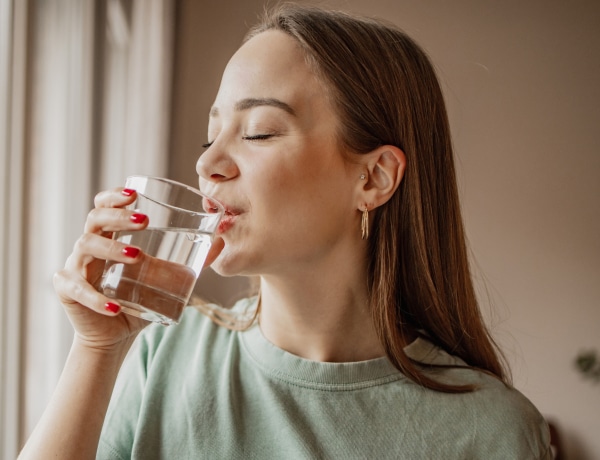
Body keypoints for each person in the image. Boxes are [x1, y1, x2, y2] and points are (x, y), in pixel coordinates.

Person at [19, 4, 552, 459]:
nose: (209, 165)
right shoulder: (160, 358)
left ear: (374, 177)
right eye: (211, 137)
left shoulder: (492, 432)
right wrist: (94, 348)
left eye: (258, 132)